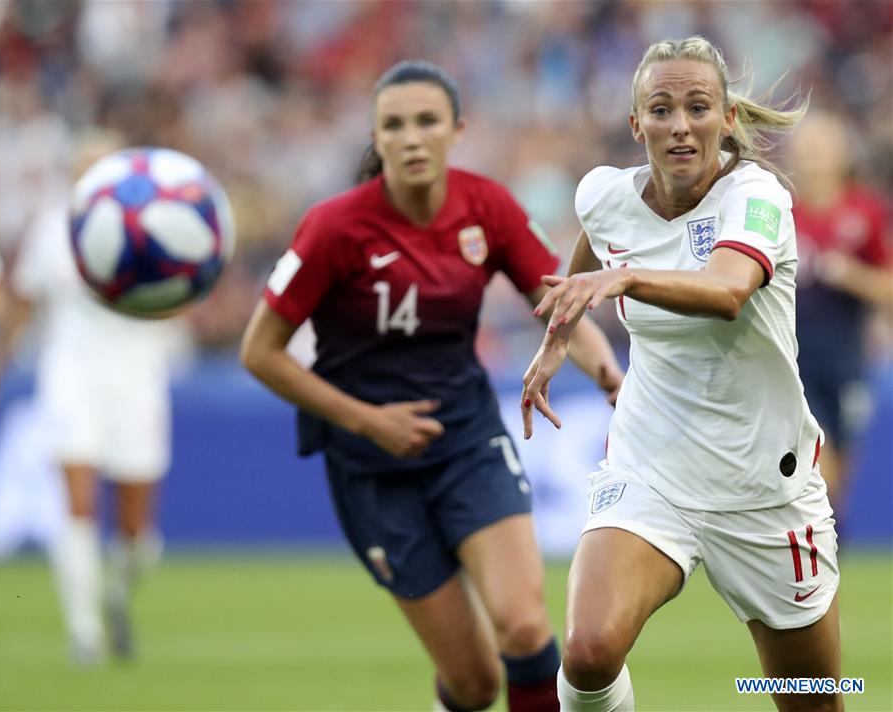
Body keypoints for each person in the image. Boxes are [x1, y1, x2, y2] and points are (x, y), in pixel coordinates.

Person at [240, 60, 623, 712]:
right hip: (373, 466)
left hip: (468, 439)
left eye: (427, 122)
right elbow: (260, 352)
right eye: (395, 125)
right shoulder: (334, 228)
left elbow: (558, 303)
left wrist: (612, 379)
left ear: (456, 131)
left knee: (527, 629)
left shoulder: (488, 208)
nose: (412, 137)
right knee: (474, 684)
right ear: (376, 137)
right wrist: (365, 420)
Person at [522, 37, 843, 711]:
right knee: (586, 651)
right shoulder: (604, 197)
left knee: (809, 699)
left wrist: (626, 277)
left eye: (698, 106)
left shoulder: (757, 197)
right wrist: (559, 337)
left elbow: (727, 291)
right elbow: (582, 272)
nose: (680, 124)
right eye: (660, 109)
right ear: (637, 124)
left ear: (726, 119)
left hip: (764, 485)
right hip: (652, 467)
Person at [0, 128, 184, 665]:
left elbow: (177, 301)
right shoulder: (52, 228)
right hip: (71, 373)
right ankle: (84, 631)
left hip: (138, 376)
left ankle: (117, 595)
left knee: (138, 534)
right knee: (76, 505)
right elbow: (23, 301)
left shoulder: (154, 227)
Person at [784, 110, 892, 519]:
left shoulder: (865, 213)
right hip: (795, 360)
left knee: (837, 483)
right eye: (804, 149)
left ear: (842, 155)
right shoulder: (781, 214)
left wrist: (850, 275)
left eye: (819, 148)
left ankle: (826, 571)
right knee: (819, 473)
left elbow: (887, 287)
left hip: (847, 359)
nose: (810, 157)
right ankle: (812, 574)